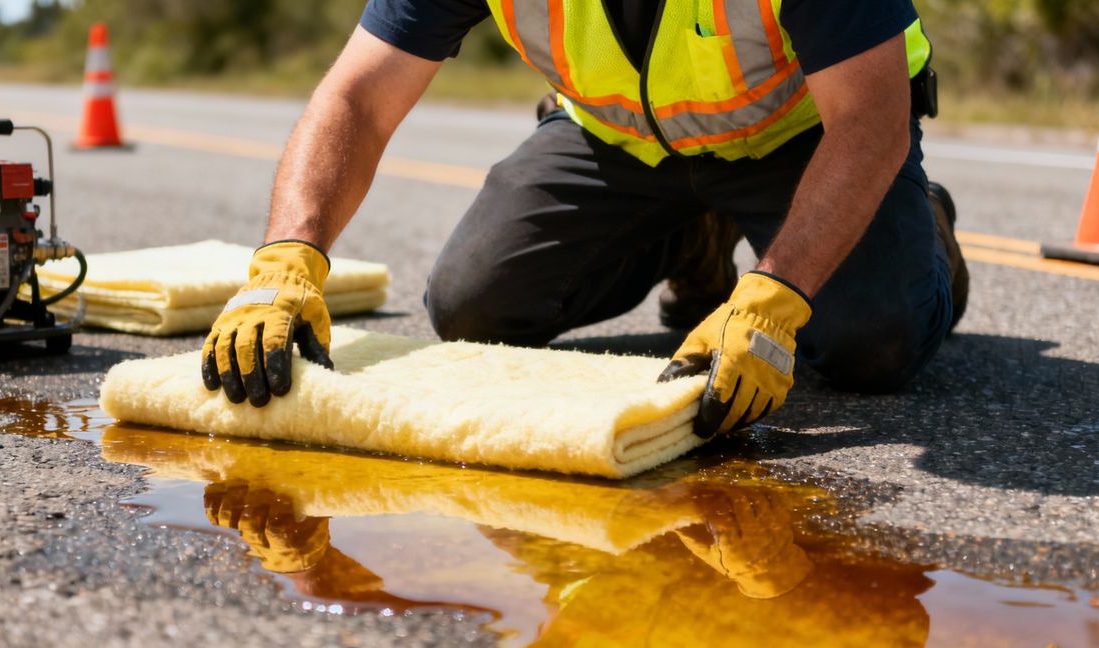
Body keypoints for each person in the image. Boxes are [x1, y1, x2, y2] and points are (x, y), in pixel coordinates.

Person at [201, 0, 968, 439]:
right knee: (475, 304)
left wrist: (776, 297)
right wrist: (285, 263)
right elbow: (357, 97)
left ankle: (921, 228)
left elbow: (870, 117)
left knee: (873, 341)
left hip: (801, 139)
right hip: (622, 146)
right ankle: (695, 236)